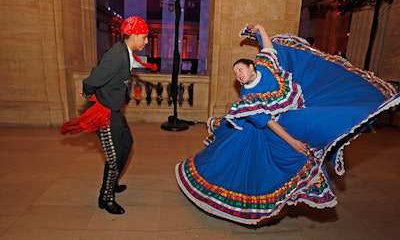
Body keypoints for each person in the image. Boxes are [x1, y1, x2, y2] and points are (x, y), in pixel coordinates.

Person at [175, 24, 400, 225]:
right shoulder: (248, 96)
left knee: (325, 119)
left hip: (289, 116)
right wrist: (292, 141)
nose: (238, 75)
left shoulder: (266, 65)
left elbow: (267, 45)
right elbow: (269, 122)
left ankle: (367, 104)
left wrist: (258, 28)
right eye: (235, 74)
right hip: (269, 129)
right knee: (274, 163)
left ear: (253, 67)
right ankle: (274, 205)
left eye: (241, 70)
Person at [61, 16, 156, 215]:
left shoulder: (124, 51)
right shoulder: (117, 55)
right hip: (103, 112)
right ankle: (106, 197)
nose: (147, 41)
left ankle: (112, 183)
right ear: (135, 35)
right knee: (114, 158)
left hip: (113, 110)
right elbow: (93, 79)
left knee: (126, 144)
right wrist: (88, 93)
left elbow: (103, 75)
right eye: (145, 37)